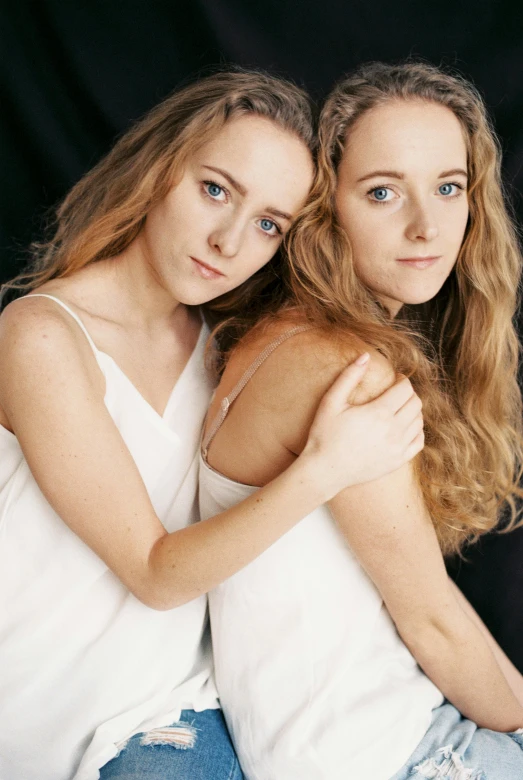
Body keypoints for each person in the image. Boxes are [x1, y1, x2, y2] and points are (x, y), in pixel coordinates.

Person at [0, 68, 426, 780]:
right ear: (158, 171)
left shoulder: (218, 351)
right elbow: (154, 574)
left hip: (178, 712)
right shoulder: (41, 335)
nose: (230, 241)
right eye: (215, 190)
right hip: (50, 723)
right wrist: (324, 467)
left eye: (268, 225)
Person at [199, 61, 523, 779]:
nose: (425, 225)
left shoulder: (279, 334)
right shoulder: (342, 370)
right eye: (382, 192)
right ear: (326, 206)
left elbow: (430, 598)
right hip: (391, 756)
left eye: (448, 187)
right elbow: (432, 625)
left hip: (383, 735)